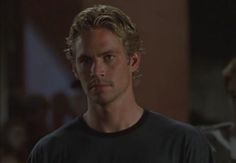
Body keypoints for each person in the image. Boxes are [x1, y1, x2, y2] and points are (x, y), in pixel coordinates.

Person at [28, 5, 214, 163]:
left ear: (133, 62)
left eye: (108, 57)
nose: (96, 71)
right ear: (75, 69)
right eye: (85, 60)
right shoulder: (49, 153)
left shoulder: (183, 144)